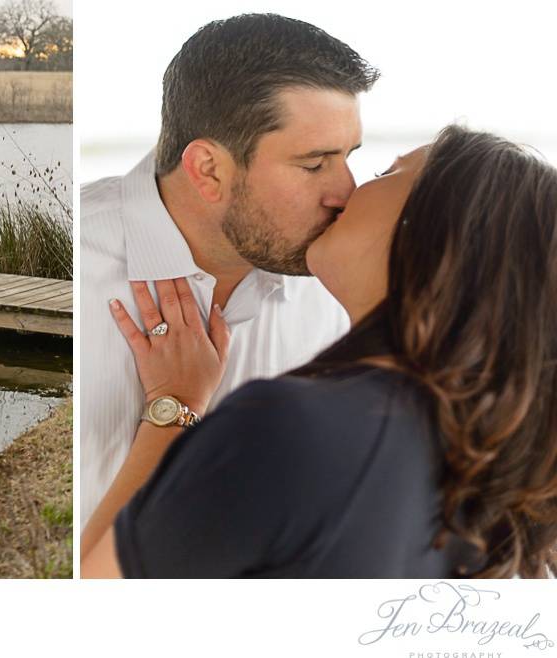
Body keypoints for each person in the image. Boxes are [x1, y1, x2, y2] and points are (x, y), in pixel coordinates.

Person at [82, 125, 557, 579]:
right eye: (316, 162)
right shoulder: (491, 468)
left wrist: (175, 405)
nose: (346, 190)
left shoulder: (288, 427)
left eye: (387, 173)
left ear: (440, 235)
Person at [80, 14, 378, 529]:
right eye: (314, 164)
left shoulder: (338, 286)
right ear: (208, 170)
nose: (346, 193)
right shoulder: (75, 267)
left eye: (348, 156)